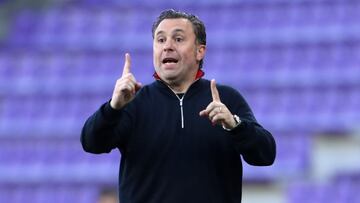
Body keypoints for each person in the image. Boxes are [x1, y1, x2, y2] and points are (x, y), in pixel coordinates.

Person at [81, 9, 276, 203]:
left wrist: (235, 125)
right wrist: (113, 108)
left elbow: (265, 155)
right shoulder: (133, 103)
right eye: (161, 40)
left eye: (178, 39)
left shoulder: (226, 99)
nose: (167, 46)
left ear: (200, 51)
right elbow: (92, 143)